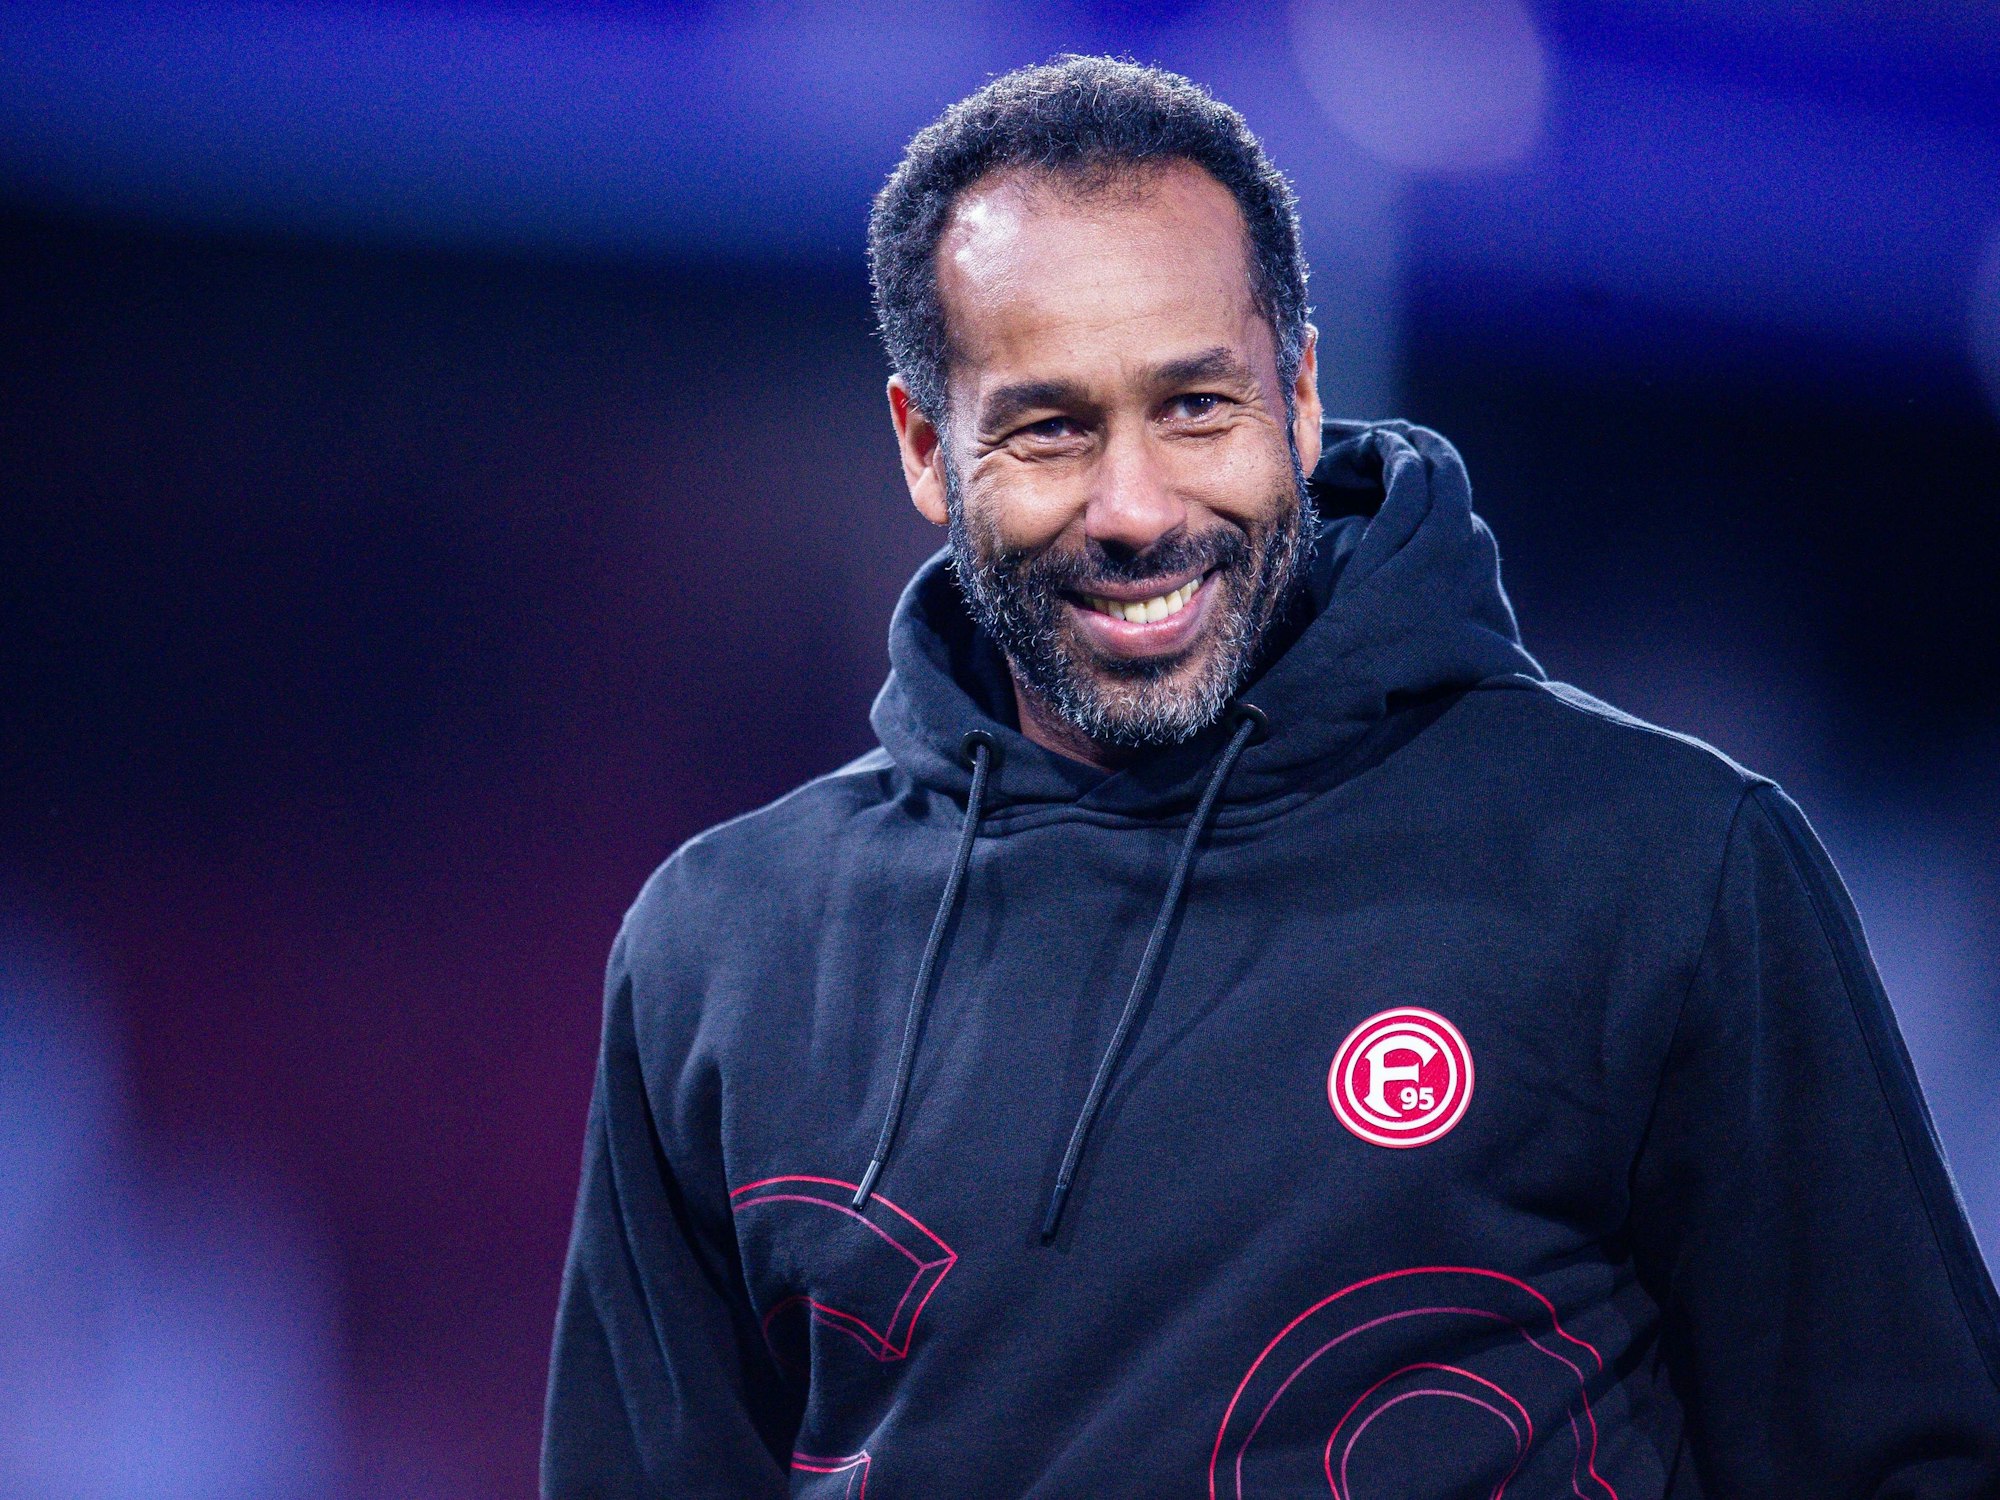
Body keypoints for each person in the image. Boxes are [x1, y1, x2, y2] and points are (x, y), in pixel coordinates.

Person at [541, 56, 2000, 1498]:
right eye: (1052, 427)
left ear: (1299, 395)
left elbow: (1908, 1461)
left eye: (1196, 409)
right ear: (929, 446)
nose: (1135, 508)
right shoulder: (725, 948)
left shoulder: (1664, 869)